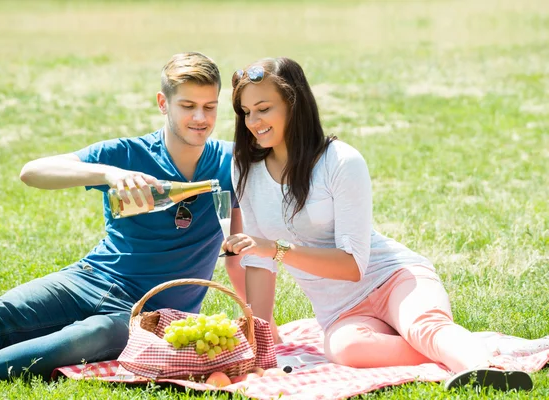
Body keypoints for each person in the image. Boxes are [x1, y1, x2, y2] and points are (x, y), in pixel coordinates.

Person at [222, 57, 547, 391]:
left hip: (392, 278)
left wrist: (277, 250)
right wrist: (262, 349)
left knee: (423, 325)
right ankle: (458, 349)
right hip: (342, 312)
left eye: (263, 108)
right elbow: (259, 263)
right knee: (346, 349)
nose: (253, 121)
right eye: (246, 112)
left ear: (294, 103)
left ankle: (482, 367)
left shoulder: (340, 161)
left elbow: (352, 266)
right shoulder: (246, 170)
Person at [0, 52, 244, 382]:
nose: (200, 117)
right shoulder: (126, 154)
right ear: (163, 103)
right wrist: (109, 174)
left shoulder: (230, 161)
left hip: (150, 316)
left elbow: (288, 164)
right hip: (89, 279)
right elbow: (31, 172)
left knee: (84, 337)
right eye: (187, 106)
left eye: (210, 106)